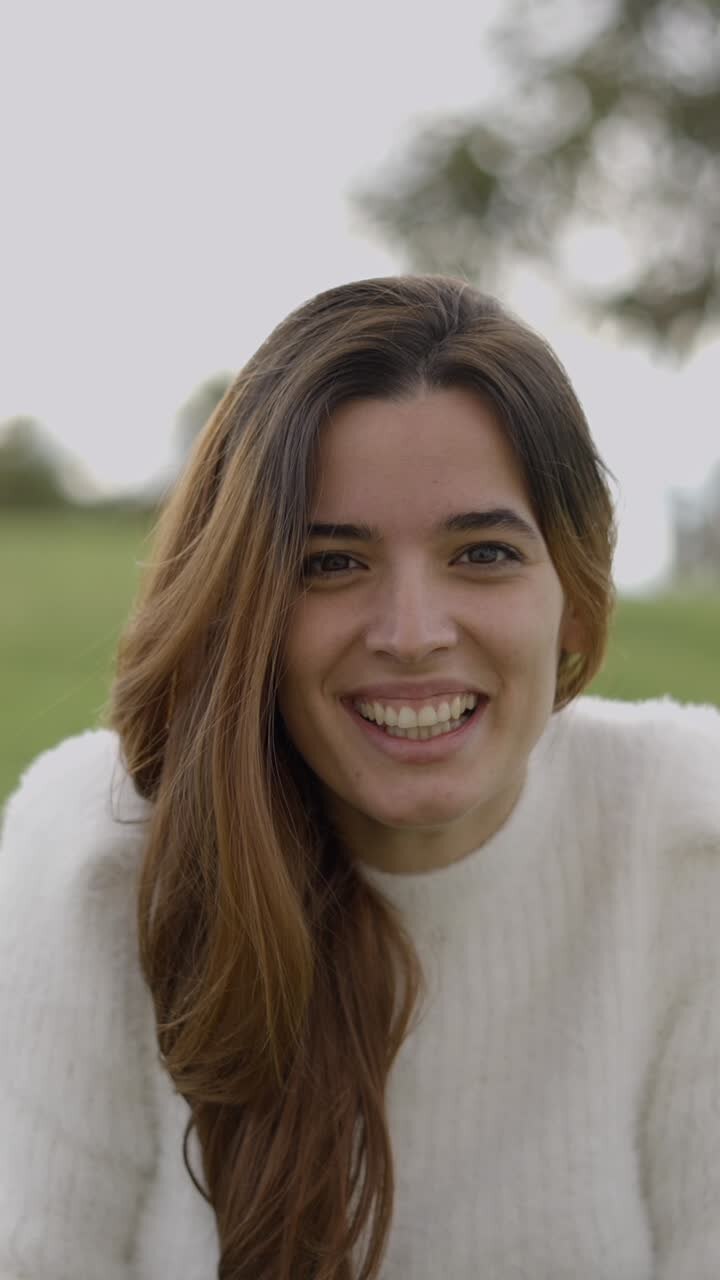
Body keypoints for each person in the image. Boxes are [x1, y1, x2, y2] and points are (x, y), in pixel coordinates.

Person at [0, 275, 718, 1280]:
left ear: (577, 594)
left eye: (482, 551)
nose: (413, 633)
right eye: (331, 564)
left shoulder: (692, 835)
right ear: (242, 600)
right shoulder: (97, 851)